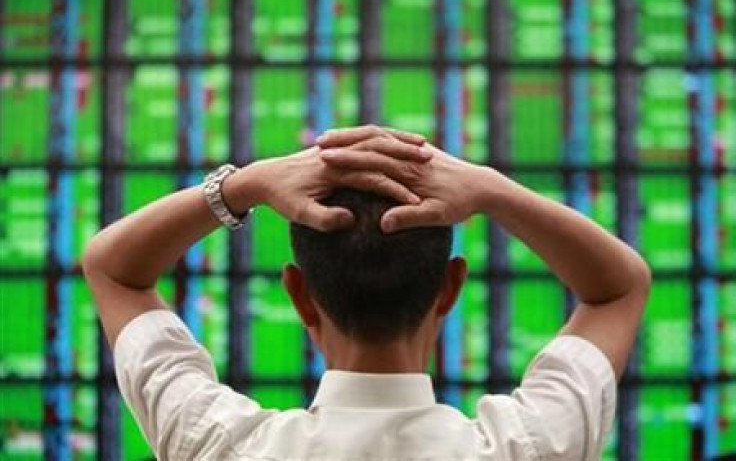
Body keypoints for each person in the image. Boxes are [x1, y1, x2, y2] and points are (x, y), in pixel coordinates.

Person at [83, 125, 651, 460]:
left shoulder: (223, 445)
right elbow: (618, 288)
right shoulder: (527, 445)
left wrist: (244, 185)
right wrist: (492, 190)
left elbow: (113, 268)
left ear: (298, 294)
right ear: (451, 287)